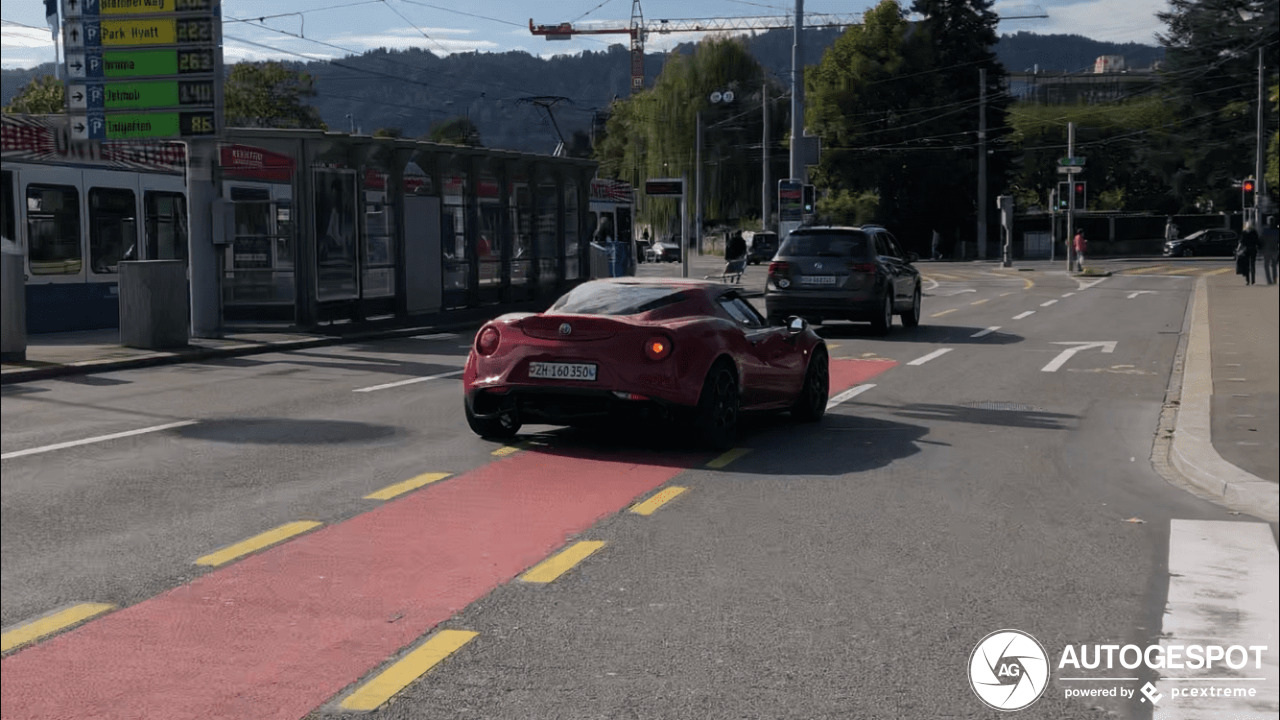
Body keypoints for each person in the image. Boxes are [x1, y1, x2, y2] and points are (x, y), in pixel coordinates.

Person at [1261, 216, 1279, 285]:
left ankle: (1269, 281)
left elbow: (1262, 240)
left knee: (1266, 266)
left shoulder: (1265, 230)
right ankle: (1274, 280)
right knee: (1274, 266)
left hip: (1267, 250)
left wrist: (1261, 249)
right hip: (1274, 250)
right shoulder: (1277, 230)